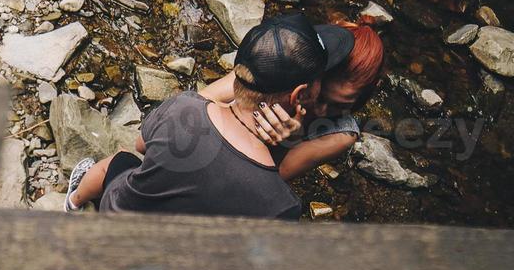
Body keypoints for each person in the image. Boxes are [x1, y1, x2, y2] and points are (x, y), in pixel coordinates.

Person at [64, 13, 353, 219]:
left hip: (121, 219)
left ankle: (74, 202)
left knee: (119, 161)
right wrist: (285, 145)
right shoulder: (282, 203)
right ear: (299, 94)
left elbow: (142, 145)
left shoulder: (183, 108)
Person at [235, 20, 386, 181]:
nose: (321, 111)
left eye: (339, 106)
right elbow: (209, 98)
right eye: (320, 96)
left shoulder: (341, 134)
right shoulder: (287, 62)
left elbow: (271, 181)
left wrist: (287, 141)